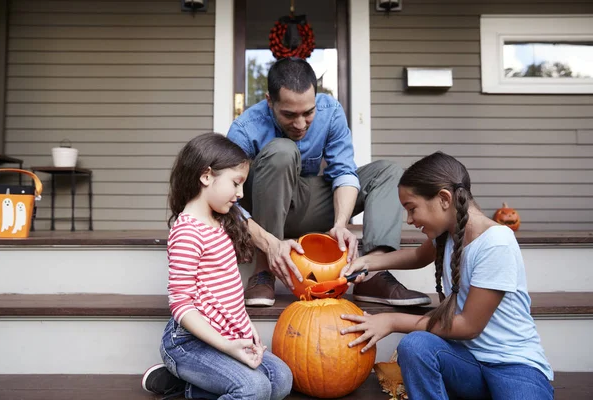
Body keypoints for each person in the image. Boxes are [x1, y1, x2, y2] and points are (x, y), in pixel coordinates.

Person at [339, 152, 554, 399]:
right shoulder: (448, 232)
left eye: (412, 209)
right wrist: (368, 261)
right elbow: (418, 257)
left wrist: (392, 321)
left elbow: (469, 326)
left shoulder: (496, 243)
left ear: (443, 198)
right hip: (465, 362)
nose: (409, 220)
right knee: (416, 346)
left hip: (513, 366)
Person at [227, 57, 430, 307]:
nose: (300, 124)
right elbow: (224, 197)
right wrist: (267, 243)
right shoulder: (245, 129)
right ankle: (265, 269)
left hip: (305, 202)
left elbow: (343, 170)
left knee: (387, 172)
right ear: (270, 102)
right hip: (262, 214)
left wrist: (341, 223)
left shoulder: (330, 111)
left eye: (308, 113)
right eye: (289, 115)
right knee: (282, 150)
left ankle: (371, 273)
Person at [141, 133, 293, 400]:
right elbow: (181, 304)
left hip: (227, 337)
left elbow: (228, 297)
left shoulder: (221, 221)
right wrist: (228, 346)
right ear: (206, 176)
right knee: (254, 388)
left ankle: (186, 388)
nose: (241, 194)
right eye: (236, 183)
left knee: (281, 380)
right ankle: (185, 376)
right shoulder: (187, 232)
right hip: (188, 344)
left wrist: (248, 334)